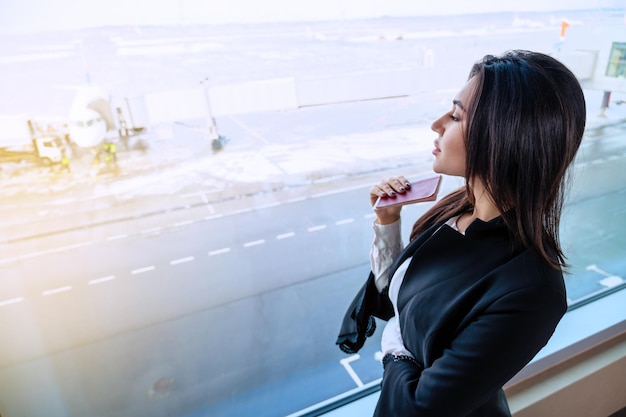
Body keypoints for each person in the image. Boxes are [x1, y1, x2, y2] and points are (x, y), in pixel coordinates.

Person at [336, 50, 586, 416]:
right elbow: (399, 296)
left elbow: (419, 409)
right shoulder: (453, 210)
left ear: (503, 137)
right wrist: (388, 221)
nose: (437, 125)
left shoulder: (532, 291)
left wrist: (395, 345)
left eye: (455, 116)